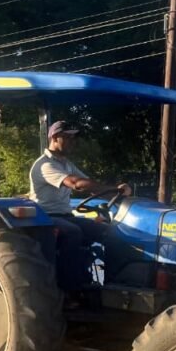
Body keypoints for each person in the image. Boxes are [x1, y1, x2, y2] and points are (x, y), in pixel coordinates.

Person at [28, 120, 131, 294]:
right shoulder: (45, 165)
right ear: (55, 137)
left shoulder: (66, 164)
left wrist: (119, 195)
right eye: (68, 137)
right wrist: (112, 188)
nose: (73, 142)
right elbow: (77, 184)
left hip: (65, 216)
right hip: (46, 218)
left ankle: (109, 284)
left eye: (73, 138)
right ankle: (68, 290)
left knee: (108, 231)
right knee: (72, 232)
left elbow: (90, 185)